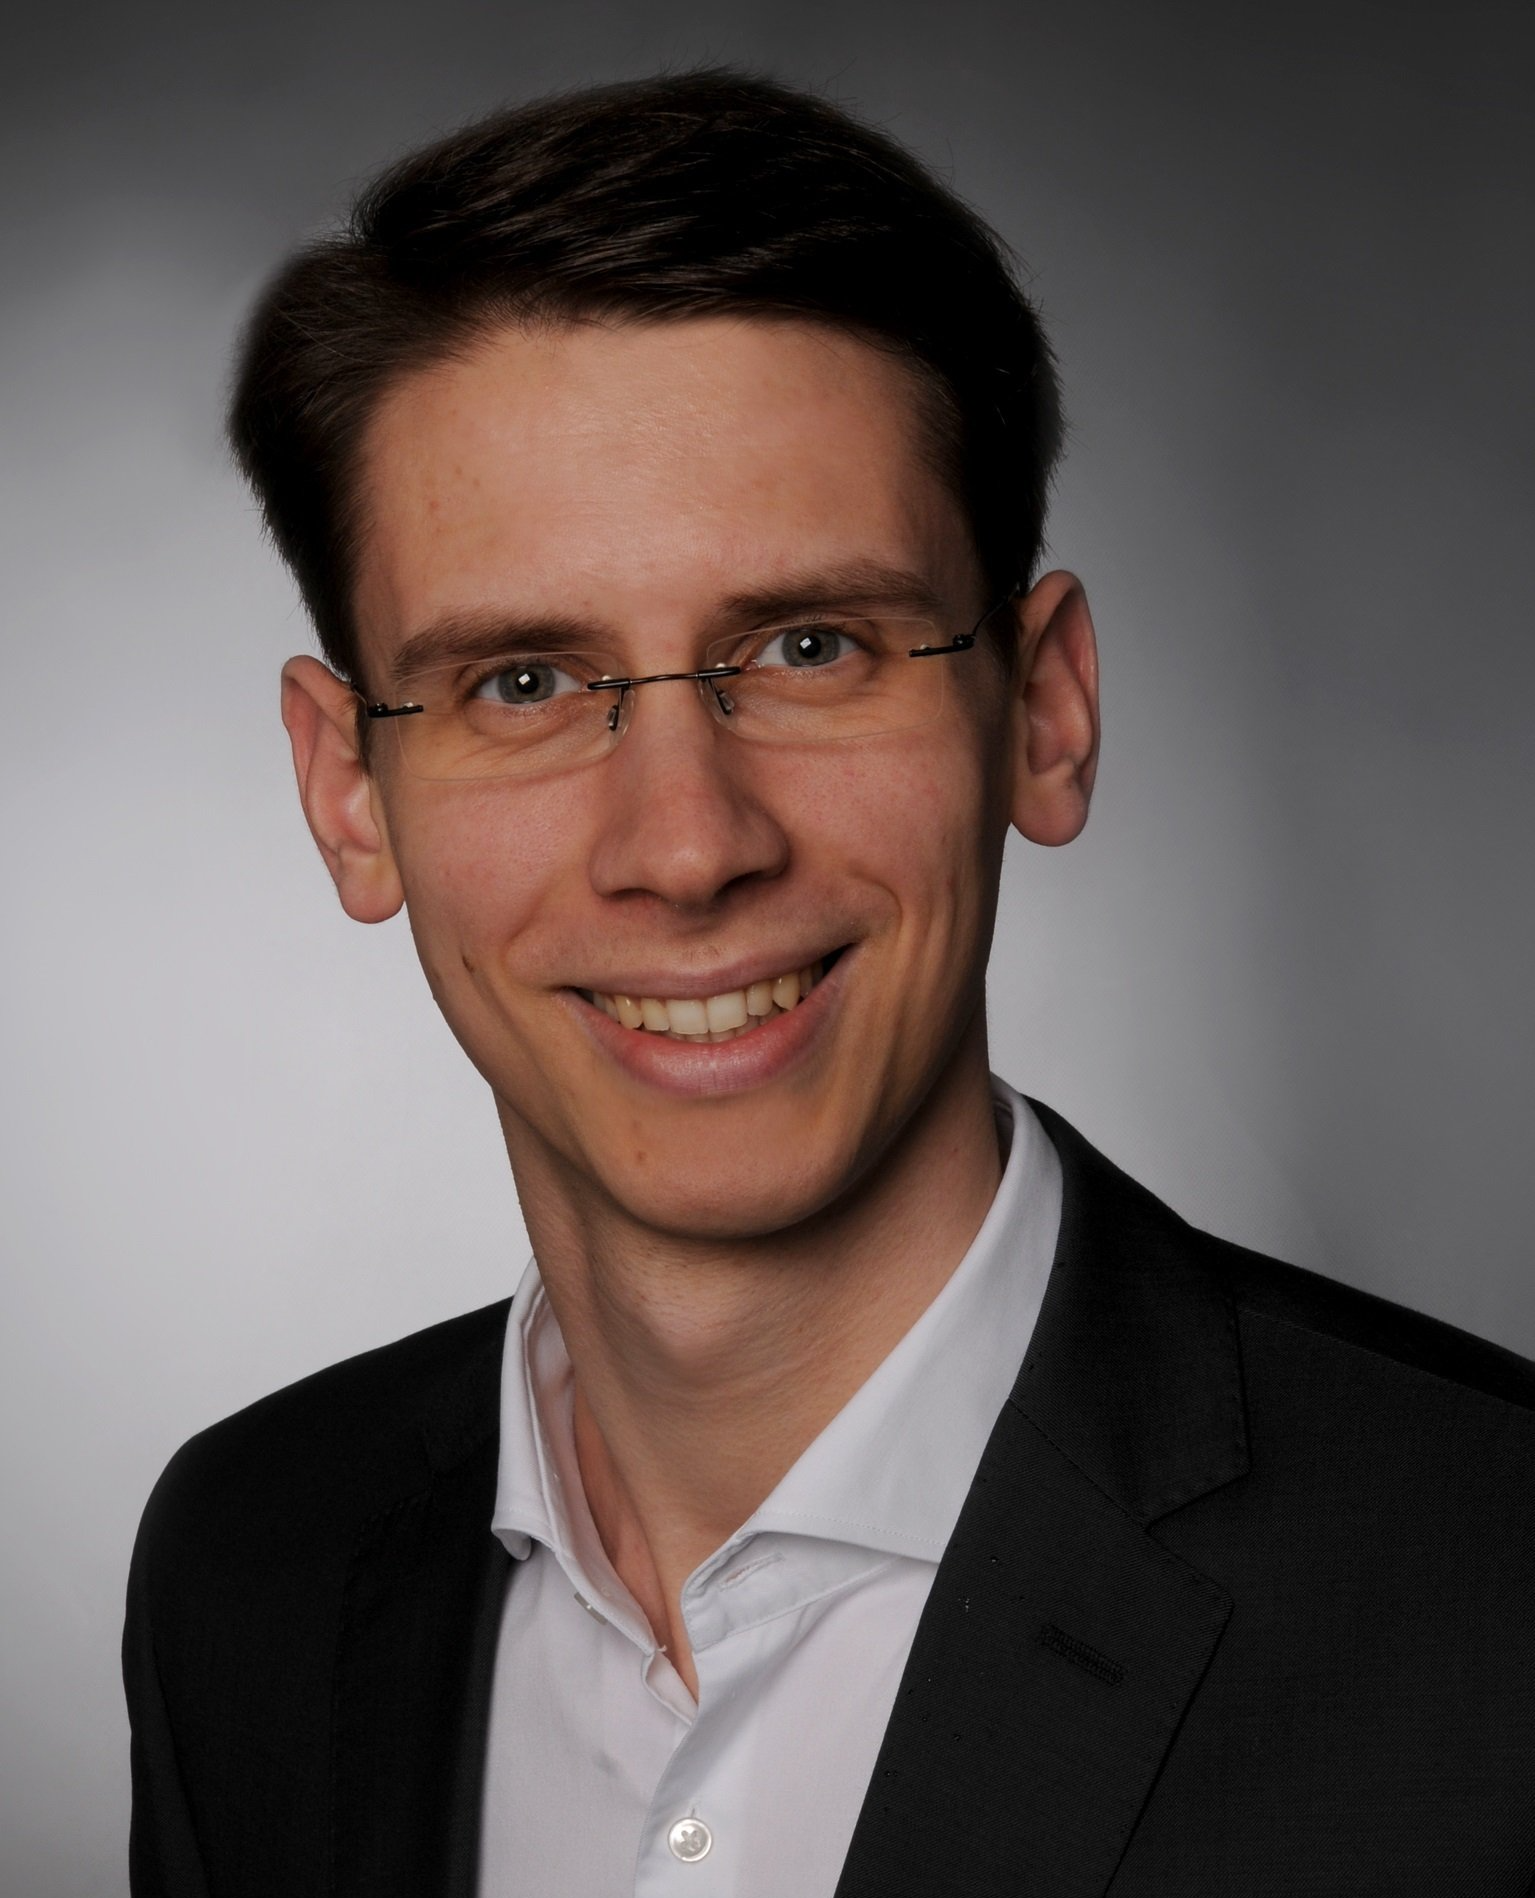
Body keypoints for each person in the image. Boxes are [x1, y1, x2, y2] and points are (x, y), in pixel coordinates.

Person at [122, 69, 1535, 1898]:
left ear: (1042, 711)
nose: (685, 843)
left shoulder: (1490, 1594)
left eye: (807, 646)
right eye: (524, 683)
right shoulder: (252, 1567)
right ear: (348, 794)